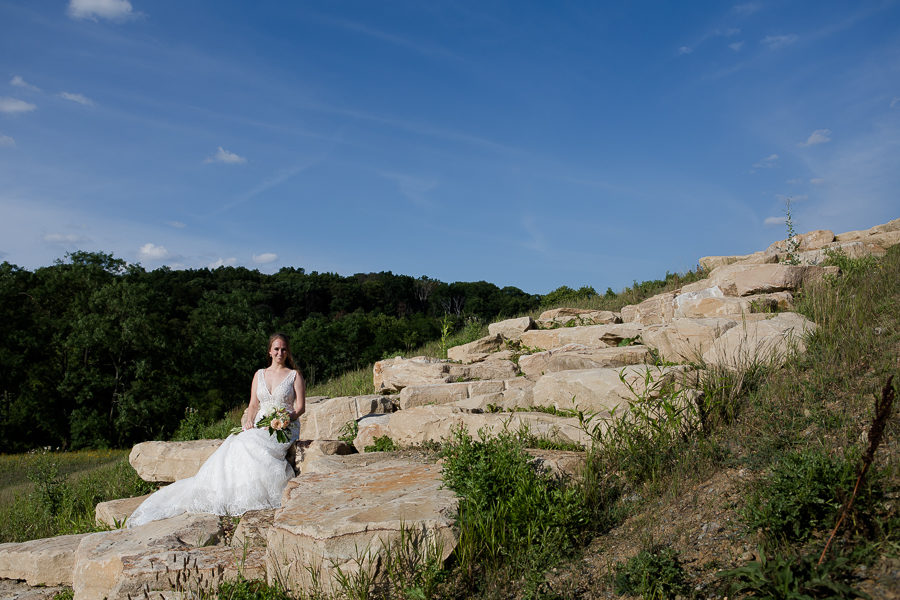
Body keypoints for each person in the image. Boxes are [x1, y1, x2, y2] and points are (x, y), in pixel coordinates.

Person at [127, 333, 306, 528]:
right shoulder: (259, 374)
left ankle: (255, 494)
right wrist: (248, 421)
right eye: (276, 349)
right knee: (237, 441)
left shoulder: (294, 375)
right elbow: (253, 404)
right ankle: (231, 492)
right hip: (261, 423)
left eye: (283, 349)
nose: (280, 352)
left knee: (251, 444)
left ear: (288, 352)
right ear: (270, 351)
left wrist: (287, 418)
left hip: (284, 426)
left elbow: (300, 407)